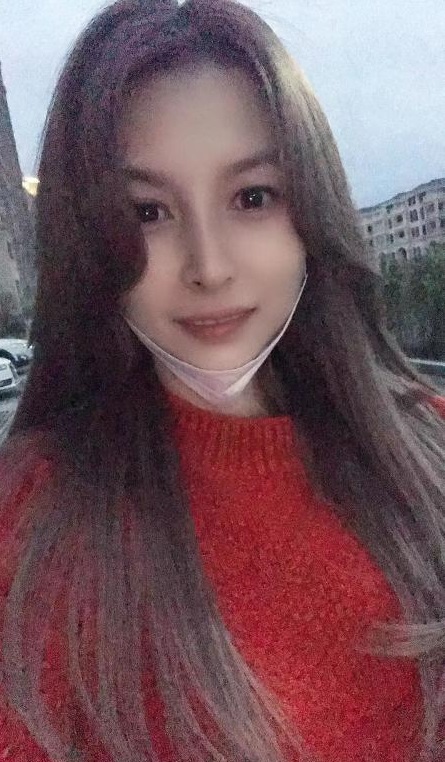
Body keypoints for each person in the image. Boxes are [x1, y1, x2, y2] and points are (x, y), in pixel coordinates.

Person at [0, 0, 444, 760]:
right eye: (147, 212)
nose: (209, 267)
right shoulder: (36, 525)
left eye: (251, 197)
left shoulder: (430, 447)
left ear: (311, 212)